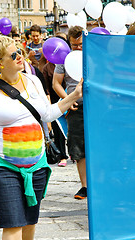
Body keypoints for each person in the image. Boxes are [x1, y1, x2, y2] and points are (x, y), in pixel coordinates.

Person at [0, 35, 83, 240]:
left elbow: (47, 114)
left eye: (20, 52)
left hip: (36, 167)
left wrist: (74, 95)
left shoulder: (33, 80)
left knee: (30, 224)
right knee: (13, 225)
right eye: (13, 55)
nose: (20, 57)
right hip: (3, 166)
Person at [53, 26, 87, 199]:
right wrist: (68, 99)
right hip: (76, 107)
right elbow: (56, 83)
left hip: (97, 106)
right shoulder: (64, 59)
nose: (78, 48)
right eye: (74, 45)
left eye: (81, 44)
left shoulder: (93, 56)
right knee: (77, 147)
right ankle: (85, 186)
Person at [43, 32, 69, 167]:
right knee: (58, 130)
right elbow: (48, 87)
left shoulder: (70, 61)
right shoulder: (47, 67)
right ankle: (62, 156)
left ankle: (73, 153)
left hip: (70, 97)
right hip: (55, 101)